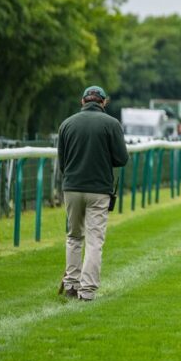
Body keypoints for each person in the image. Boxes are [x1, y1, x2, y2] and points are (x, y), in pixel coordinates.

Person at [56, 85, 129, 301]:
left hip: (72, 187)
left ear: (83, 101)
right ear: (103, 102)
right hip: (99, 190)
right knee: (94, 240)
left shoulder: (66, 124)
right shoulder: (112, 124)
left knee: (74, 236)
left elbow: (62, 162)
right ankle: (87, 290)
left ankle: (71, 283)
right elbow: (122, 159)